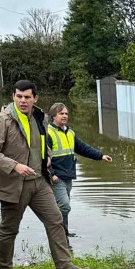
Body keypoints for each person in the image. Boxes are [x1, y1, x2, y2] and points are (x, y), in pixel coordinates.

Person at [0, 80, 91, 269]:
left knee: (55, 220)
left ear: (35, 99)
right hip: (14, 183)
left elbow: (41, 144)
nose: (22, 101)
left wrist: (47, 156)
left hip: (39, 181)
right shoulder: (2, 120)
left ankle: (64, 267)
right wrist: (15, 166)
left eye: (27, 97)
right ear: (13, 96)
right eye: (19, 96)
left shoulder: (40, 117)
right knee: (9, 228)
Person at [47, 102, 113, 238]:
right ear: (54, 115)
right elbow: (42, 157)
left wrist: (101, 156)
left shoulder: (70, 132)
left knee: (63, 207)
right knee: (64, 206)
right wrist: (52, 174)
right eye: (61, 113)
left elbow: (83, 148)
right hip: (56, 177)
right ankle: (57, 232)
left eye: (66, 113)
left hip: (68, 176)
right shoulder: (48, 132)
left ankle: (63, 233)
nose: (64, 116)